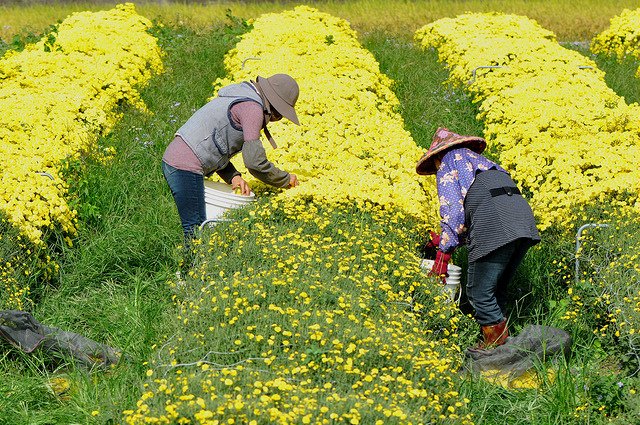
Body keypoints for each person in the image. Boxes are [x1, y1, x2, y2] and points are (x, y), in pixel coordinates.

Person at [416, 127, 540, 349]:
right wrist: (445, 238)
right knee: (496, 290)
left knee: (479, 293)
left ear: (436, 157)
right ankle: (504, 345)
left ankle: (495, 349)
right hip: (523, 221)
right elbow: (483, 205)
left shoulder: (448, 162)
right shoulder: (485, 164)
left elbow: (454, 212)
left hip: (495, 224)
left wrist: (443, 251)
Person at [162, 73, 300, 242]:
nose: (275, 120)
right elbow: (255, 163)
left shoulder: (243, 95)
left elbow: (216, 144)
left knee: (197, 225)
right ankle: (190, 267)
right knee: (196, 229)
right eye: (278, 116)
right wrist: (285, 180)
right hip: (185, 165)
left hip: (177, 158)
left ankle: (193, 264)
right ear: (273, 107)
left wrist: (233, 177)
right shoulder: (253, 109)